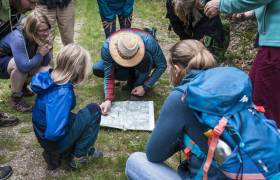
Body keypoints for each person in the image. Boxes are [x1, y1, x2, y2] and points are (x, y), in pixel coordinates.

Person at [125, 40, 227, 179]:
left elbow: (154, 154)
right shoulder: (231, 85)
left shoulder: (182, 97)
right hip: (251, 169)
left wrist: (178, 133)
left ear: (177, 69)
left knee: (135, 161)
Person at [204, 0, 280, 126]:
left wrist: (222, 5)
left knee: (262, 104)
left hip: (274, 48)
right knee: (252, 93)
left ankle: (267, 141)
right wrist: (251, 13)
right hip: (272, 44)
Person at [32, 44, 103, 170]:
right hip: (52, 141)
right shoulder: (63, 92)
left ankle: (57, 153)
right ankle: (78, 156)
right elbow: (53, 133)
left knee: (74, 118)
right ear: (78, 68)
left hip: (42, 135)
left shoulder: (49, 77)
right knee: (94, 110)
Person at [0, 0, 37, 178]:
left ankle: (19, 90)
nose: (34, 5)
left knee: (21, 59)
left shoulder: (16, 11)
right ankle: (16, 97)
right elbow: (25, 63)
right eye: (32, 1)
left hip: (4, 51)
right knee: (21, 63)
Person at [92, 28, 167, 115]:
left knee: (146, 59)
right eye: (124, 59)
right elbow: (108, 75)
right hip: (120, 66)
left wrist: (145, 86)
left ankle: (137, 83)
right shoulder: (107, 46)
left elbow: (162, 65)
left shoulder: (149, 41)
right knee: (97, 68)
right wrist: (108, 99)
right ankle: (132, 77)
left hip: (144, 62)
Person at [0, 11, 51, 112]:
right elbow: (23, 66)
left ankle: (22, 86)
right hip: (2, 62)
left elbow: (45, 63)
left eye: (47, 29)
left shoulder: (37, 36)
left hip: (17, 61)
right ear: (31, 30)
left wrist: (44, 47)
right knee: (19, 66)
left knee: (47, 69)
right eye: (42, 31)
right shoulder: (17, 37)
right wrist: (40, 54)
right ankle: (16, 99)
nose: (46, 33)